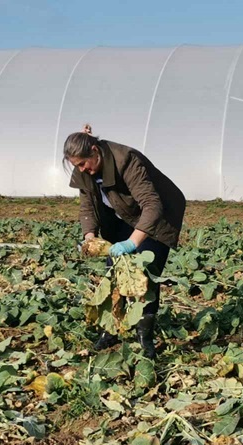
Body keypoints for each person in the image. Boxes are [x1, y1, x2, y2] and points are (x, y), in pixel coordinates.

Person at [63, 124, 186, 359]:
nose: (81, 169)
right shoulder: (83, 170)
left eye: (82, 163)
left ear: (95, 151)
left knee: (145, 273)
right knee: (113, 273)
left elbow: (152, 205)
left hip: (157, 214)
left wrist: (132, 243)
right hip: (122, 213)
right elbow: (87, 205)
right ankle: (110, 330)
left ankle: (145, 336)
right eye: (76, 165)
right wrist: (90, 237)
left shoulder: (126, 159)